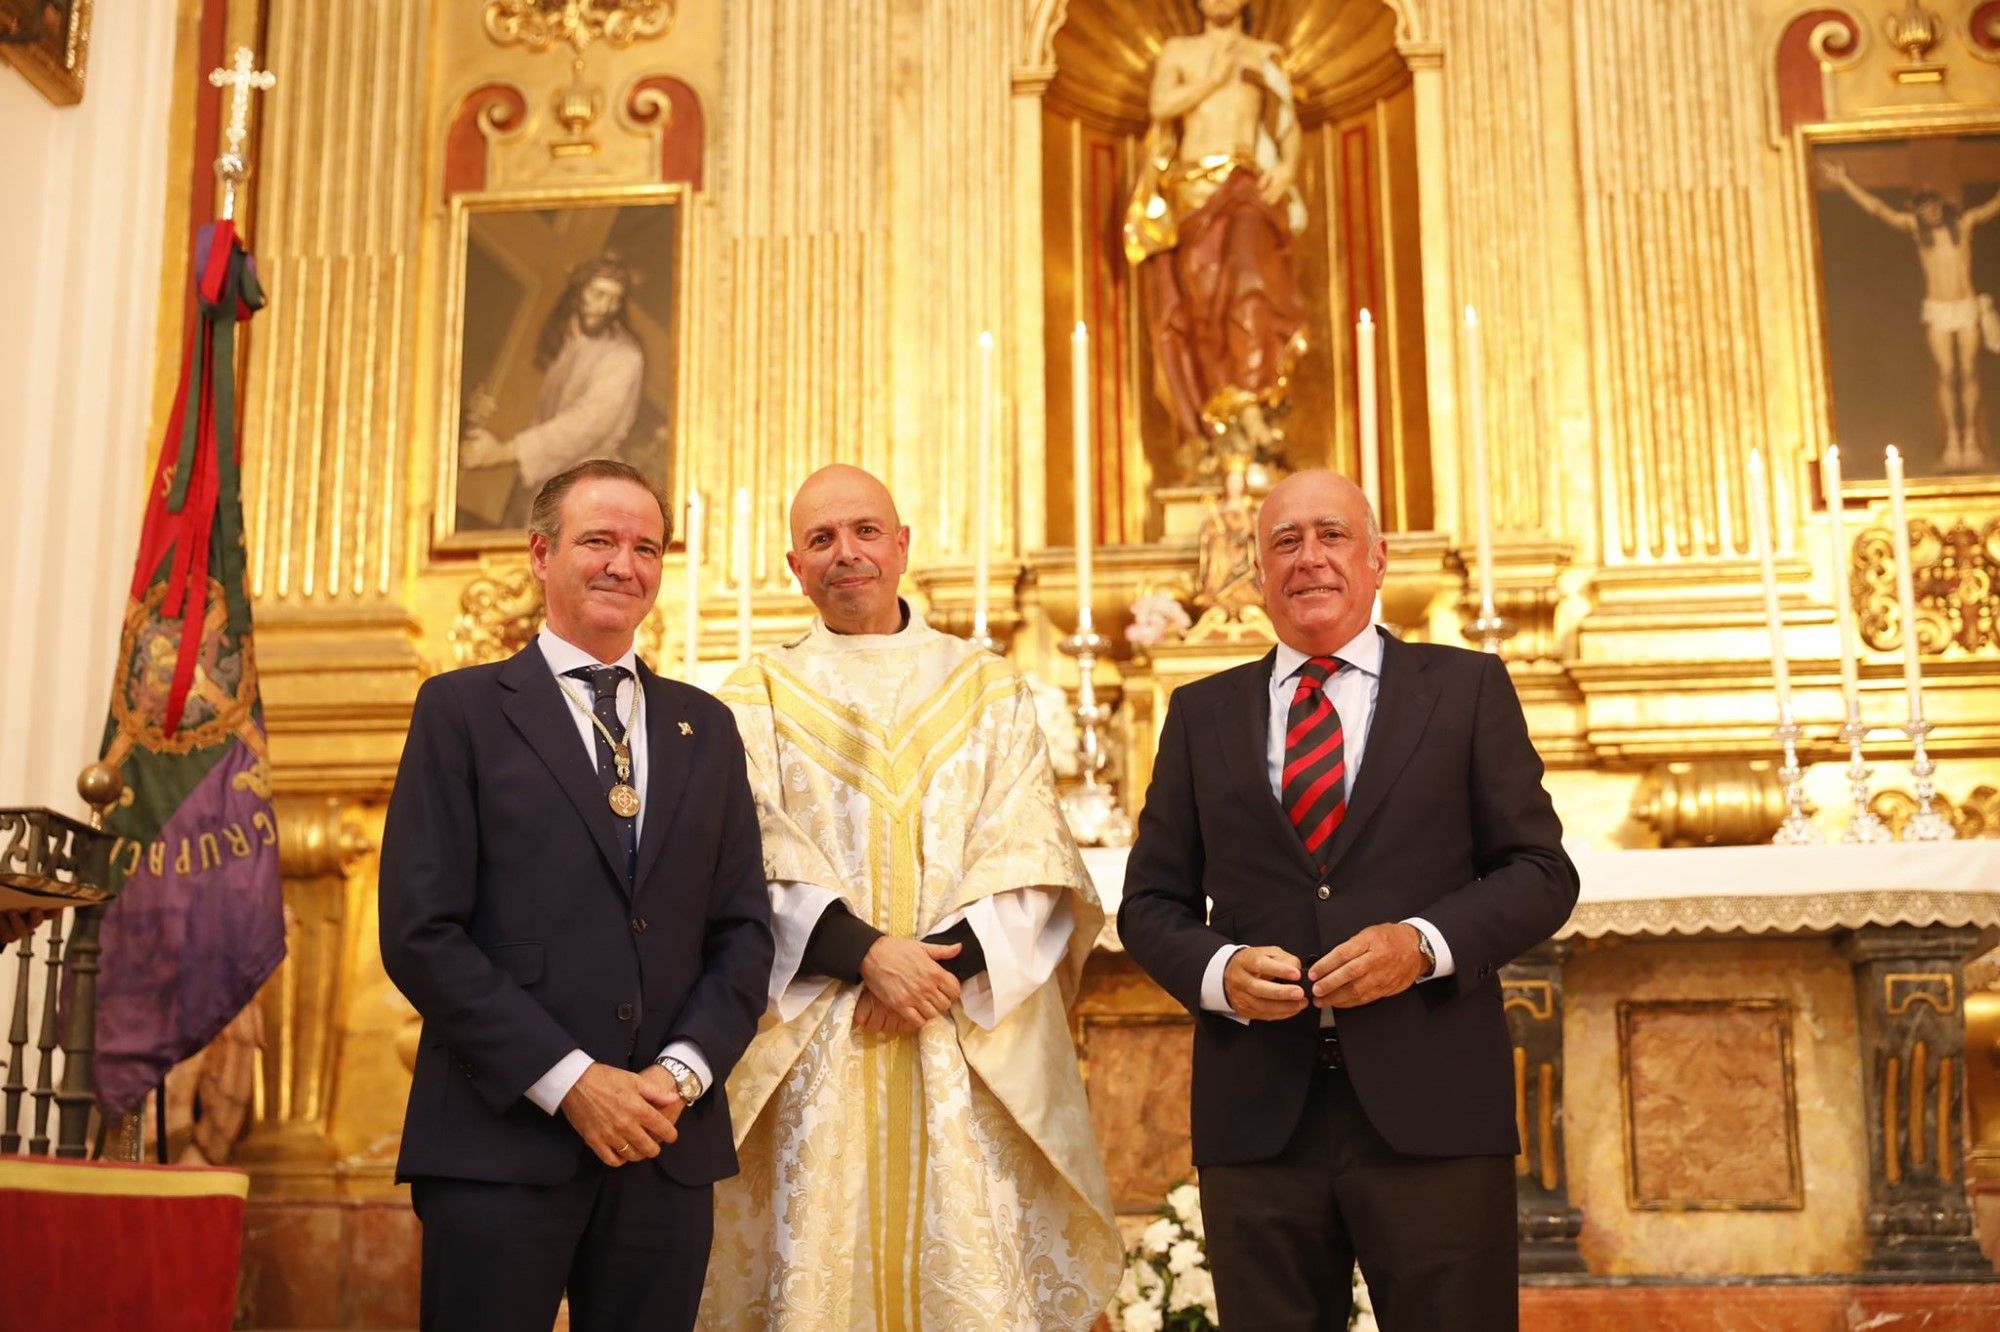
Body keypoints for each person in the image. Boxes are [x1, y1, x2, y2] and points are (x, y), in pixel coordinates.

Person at [1118, 469, 1578, 1330]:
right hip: (1261, 1121)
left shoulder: (1466, 688)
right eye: (1285, 542)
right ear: (1256, 576)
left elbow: (1541, 871)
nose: (1310, 559)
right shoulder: (1199, 714)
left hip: (1434, 1107)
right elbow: (1149, 903)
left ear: (1377, 559)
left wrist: (1422, 943)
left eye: (1331, 535)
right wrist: (1218, 971)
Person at [703, 464, 1120, 1330]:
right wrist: (865, 955)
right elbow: (743, 856)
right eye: (821, 539)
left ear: (901, 546)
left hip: (955, 1033)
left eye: (863, 532)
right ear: (794, 564)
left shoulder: (988, 685)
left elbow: (1029, 854)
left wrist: (926, 974)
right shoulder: (756, 695)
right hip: (820, 1038)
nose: (844, 554)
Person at [379, 458, 773, 1332]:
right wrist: (572, 1082)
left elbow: (744, 932)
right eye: (598, 540)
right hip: (499, 1142)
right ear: (540, 553)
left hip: (663, 1150)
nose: (622, 565)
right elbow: (421, 933)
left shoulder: (705, 726)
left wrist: (679, 1075)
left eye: (646, 547)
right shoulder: (461, 710)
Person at [1124, 0, 1308, 468]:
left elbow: (1288, 126)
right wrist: (1214, 78)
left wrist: (1287, 169)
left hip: (1245, 186)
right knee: (1203, 308)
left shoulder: (1263, 54)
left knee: (1251, 287)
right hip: (1191, 193)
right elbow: (1161, 106)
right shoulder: (1178, 52)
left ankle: (1250, 403)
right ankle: (1216, 424)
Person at [1821, 161, 2000, 471]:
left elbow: (1994, 206)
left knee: (1968, 373)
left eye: (1932, 208)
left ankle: (1970, 439)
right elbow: (1877, 209)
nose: (1928, 215)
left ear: (1941, 207)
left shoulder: (1964, 224)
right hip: (1939, 308)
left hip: (1965, 305)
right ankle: (1953, 442)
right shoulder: (1918, 231)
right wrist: (1843, 181)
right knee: (1946, 374)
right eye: (1923, 211)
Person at [461, 256, 648, 529]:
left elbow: (583, 425)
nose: (605, 307)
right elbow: (512, 393)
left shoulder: (624, 357)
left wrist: (501, 452)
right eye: (597, 293)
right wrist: (482, 410)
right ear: (577, 292)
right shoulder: (558, 335)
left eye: (614, 299)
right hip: (524, 487)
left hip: (585, 490)